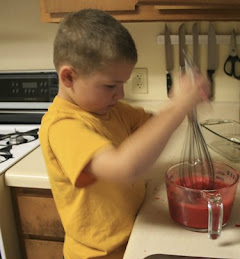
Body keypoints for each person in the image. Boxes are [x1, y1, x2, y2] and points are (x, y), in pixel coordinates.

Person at [39, 8, 210, 259]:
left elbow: (151, 129)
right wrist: (178, 106)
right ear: (68, 76)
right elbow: (123, 167)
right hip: (99, 255)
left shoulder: (111, 110)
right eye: (110, 85)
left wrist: (180, 102)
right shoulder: (62, 126)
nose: (119, 94)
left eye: (122, 84)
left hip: (134, 239)